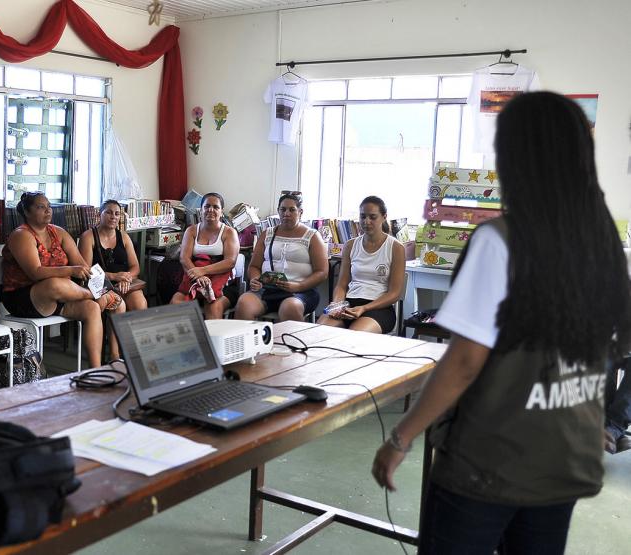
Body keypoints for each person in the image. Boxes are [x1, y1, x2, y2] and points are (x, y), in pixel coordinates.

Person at [371, 92, 631, 553]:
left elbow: (465, 361)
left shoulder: (500, 240)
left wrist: (401, 435)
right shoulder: (604, 239)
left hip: (492, 461)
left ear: (518, 157)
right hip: (566, 457)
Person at [2, 191, 123, 367]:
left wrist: (105, 289)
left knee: (91, 309)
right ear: (27, 212)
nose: (48, 210)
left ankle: (96, 369)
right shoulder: (21, 235)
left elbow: (84, 267)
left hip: (62, 295)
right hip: (23, 297)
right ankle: (93, 295)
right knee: (55, 284)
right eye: (41, 207)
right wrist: (73, 271)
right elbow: (35, 272)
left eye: (49, 206)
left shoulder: (59, 233)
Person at [317, 196, 405, 334]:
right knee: (321, 331)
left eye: (372, 217)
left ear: (384, 217)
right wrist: (336, 304)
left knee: (354, 336)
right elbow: (341, 285)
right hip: (349, 304)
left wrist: (364, 308)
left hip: (378, 308)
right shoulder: (350, 245)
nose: (366, 221)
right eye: (363, 216)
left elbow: (394, 293)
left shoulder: (396, 247)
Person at [234, 193, 327, 322]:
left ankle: (287, 342)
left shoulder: (312, 236)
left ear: (300, 212)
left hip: (301, 291)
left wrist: (298, 286)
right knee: (244, 303)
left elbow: (322, 272)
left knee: (290, 307)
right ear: (278, 211)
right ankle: (248, 342)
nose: (286, 213)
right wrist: (255, 279)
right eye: (283, 209)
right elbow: (254, 266)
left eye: (292, 210)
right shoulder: (267, 233)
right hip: (268, 289)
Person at [170, 192, 240, 319]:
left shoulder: (229, 232)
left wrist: (202, 271)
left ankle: (212, 339)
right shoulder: (191, 230)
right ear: (201, 210)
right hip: (193, 280)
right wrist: (198, 277)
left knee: (213, 307)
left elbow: (230, 262)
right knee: (176, 303)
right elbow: (184, 258)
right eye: (207, 206)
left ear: (221, 211)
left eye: (215, 207)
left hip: (223, 284)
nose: (210, 210)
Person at [77, 199, 148, 312]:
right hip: (99, 284)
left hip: (123, 283)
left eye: (117, 213)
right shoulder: (88, 237)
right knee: (118, 306)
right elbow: (86, 272)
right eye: (108, 212)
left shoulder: (124, 237)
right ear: (98, 215)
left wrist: (126, 278)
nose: (113, 217)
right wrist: (114, 276)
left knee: (140, 303)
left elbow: (135, 267)